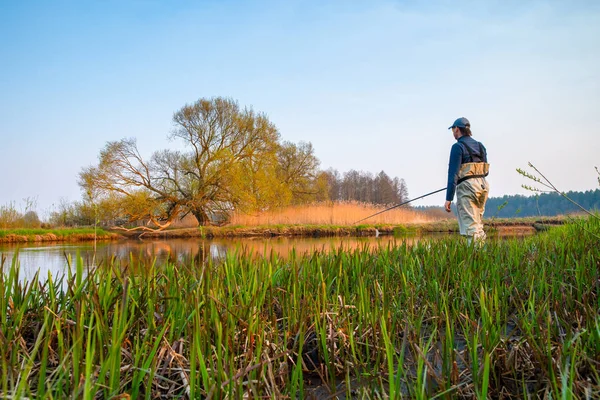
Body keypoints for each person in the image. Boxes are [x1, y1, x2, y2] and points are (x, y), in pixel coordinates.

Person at [444, 117, 490, 243]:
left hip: (467, 188)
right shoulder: (481, 146)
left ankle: (476, 259)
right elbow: (486, 172)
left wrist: (449, 198)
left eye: (453, 129)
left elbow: (452, 174)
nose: (453, 132)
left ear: (457, 129)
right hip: (483, 186)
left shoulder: (457, 147)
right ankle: (483, 255)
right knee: (477, 226)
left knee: (470, 229)